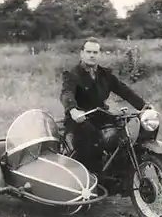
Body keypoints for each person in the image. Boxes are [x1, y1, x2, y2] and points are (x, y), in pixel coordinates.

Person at [59, 37, 153, 174]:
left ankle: (120, 172)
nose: (92, 55)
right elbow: (66, 93)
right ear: (82, 53)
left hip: (100, 115)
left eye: (95, 52)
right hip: (80, 118)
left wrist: (144, 106)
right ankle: (91, 176)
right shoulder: (72, 74)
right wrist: (73, 109)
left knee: (123, 133)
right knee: (90, 138)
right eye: (89, 51)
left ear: (99, 54)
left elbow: (123, 90)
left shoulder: (105, 74)